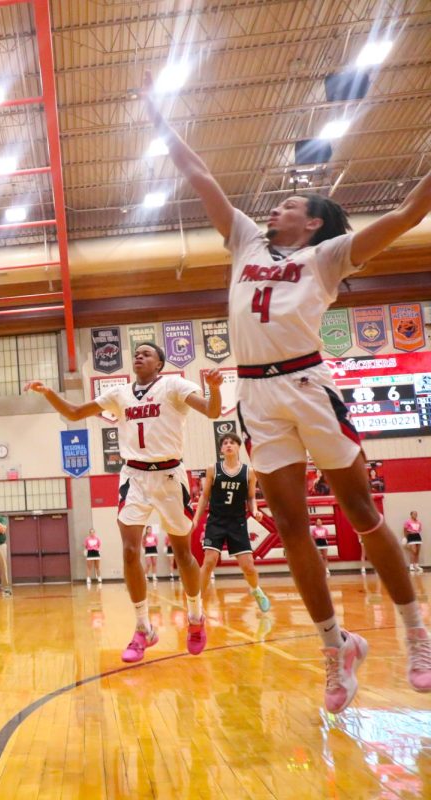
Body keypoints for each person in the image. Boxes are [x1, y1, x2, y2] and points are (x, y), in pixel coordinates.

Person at [144, 74, 430, 709]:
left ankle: (416, 631)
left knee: (361, 509)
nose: (277, 208)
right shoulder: (246, 238)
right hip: (256, 400)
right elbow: (200, 176)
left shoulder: (329, 257)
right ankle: (336, 649)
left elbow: (409, 213)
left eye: (291, 205)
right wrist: (160, 117)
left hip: (307, 384)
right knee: (293, 527)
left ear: (316, 222)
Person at [27, 342, 223, 664]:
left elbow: (213, 411)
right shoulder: (119, 393)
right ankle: (143, 627)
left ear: (160, 362)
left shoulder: (173, 385)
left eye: (147, 353)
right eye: (137, 353)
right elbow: (75, 413)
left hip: (170, 475)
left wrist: (214, 390)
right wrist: (48, 392)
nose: (139, 355)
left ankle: (196, 617)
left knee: (183, 552)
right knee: (131, 551)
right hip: (133, 476)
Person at [191, 433, 270, 612]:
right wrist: (196, 519)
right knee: (209, 561)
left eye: (232, 442)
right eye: (225, 443)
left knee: (248, 566)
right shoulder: (213, 469)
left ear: (238, 447)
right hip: (216, 521)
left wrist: (255, 510)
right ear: (221, 449)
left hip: (237, 523)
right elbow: (204, 497)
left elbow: (250, 498)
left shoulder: (248, 472)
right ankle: (197, 602)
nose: (228, 445)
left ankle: (256, 590)